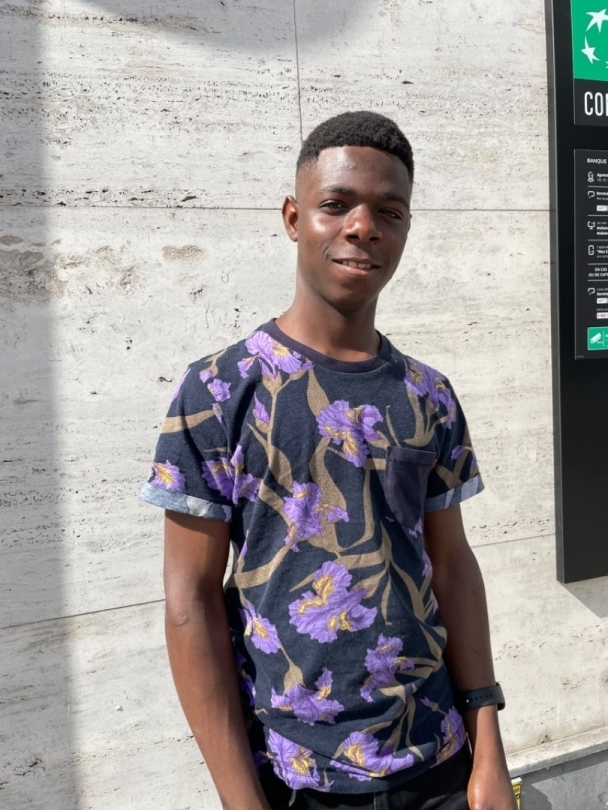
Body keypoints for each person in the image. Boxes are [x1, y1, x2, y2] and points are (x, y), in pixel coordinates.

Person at [140, 111, 516, 810]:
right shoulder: (219, 390)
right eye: (337, 204)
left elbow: (452, 565)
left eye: (388, 212)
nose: (362, 227)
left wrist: (488, 746)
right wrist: (240, 800)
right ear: (294, 217)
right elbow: (189, 599)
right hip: (295, 778)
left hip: (437, 761)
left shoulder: (427, 395)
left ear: (405, 229)